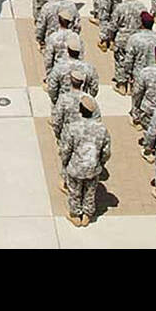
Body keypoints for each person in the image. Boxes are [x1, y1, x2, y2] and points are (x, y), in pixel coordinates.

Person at [58, 94, 110, 227]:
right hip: (93, 167)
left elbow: (66, 149)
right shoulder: (102, 129)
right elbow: (106, 152)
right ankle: (87, 215)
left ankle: (75, 215)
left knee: (74, 192)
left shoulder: (73, 128)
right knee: (90, 192)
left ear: (80, 110)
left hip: (76, 167)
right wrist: (101, 163)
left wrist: (65, 163)